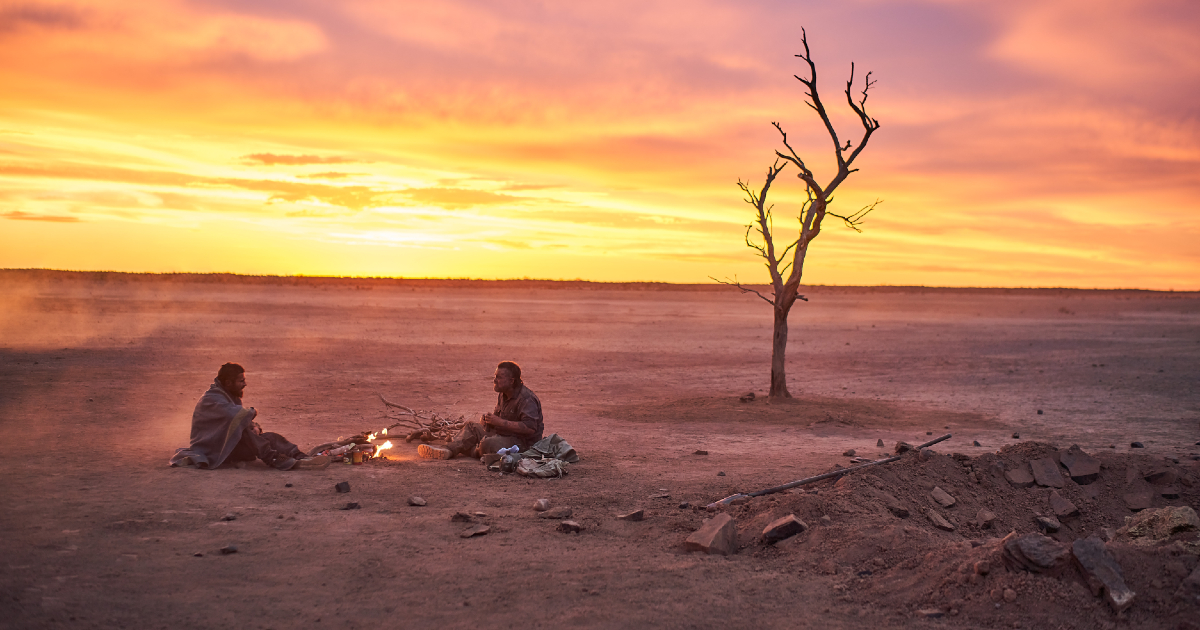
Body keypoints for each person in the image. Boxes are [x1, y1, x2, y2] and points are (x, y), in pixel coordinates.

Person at [169, 363, 329, 471]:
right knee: (245, 433)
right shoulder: (212, 399)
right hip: (214, 449)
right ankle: (275, 459)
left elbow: (238, 419)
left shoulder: (227, 395)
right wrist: (252, 414)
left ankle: (301, 458)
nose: (244, 384)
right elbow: (237, 416)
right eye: (241, 381)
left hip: (229, 447)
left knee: (270, 437)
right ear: (228, 382)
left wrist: (254, 426)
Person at [417, 361, 543, 460]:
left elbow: (530, 428)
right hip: (505, 435)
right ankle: (448, 450)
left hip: (522, 443)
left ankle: (472, 450)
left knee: (488, 444)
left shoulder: (526, 399)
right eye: (495, 376)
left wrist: (499, 422)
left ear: (511, 381)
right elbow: (498, 418)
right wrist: (488, 421)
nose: (494, 380)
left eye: (499, 377)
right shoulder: (503, 394)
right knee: (472, 427)